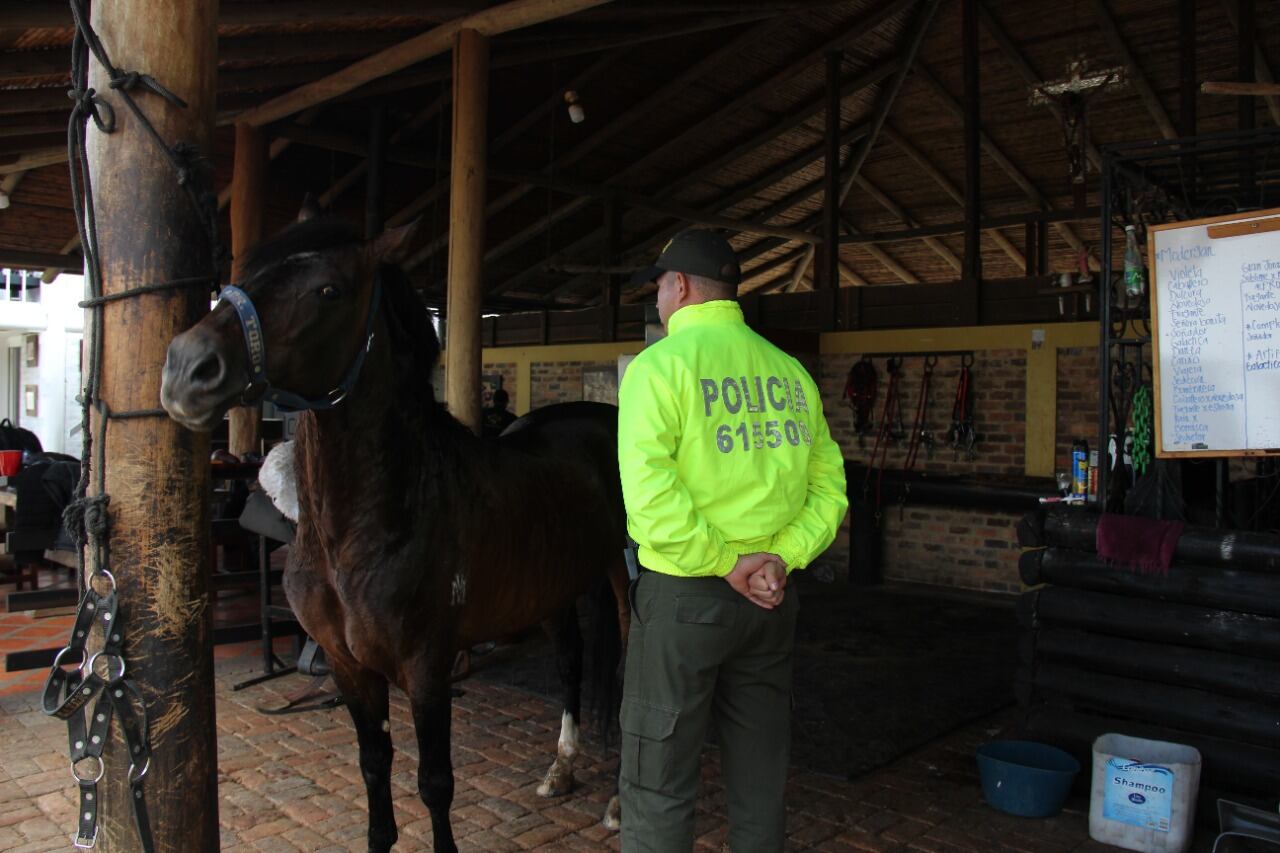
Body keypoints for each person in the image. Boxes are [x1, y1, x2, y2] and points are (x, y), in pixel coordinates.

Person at [616, 228, 848, 852]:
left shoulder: (657, 369)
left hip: (683, 603)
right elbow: (830, 490)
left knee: (658, 780)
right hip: (771, 601)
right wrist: (780, 559)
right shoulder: (789, 373)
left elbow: (652, 502)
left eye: (659, 288)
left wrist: (726, 563)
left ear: (682, 287)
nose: (657, 302)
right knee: (760, 777)